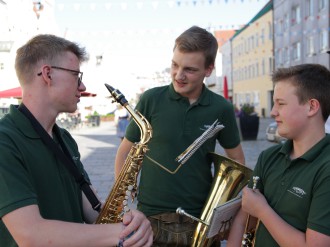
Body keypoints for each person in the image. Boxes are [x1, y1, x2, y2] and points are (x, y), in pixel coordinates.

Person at [0, 34, 153, 247]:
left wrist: (128, 222)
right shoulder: (5, 140)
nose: (82, 86)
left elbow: (92, 211)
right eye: (76, 75)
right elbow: (30, 235)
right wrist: (117, 234)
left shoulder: (65, 138)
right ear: (48, 74)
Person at [115, 26, 245, 246]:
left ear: (209, 69)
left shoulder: (221, 108)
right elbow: (125, 151)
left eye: (190, 69)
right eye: (174, 65)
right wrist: (123, 207)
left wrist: (224, 212)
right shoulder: (150, 99)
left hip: (200, 221)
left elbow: (238, 161)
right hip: (150, 220)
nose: (178, 75)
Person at [227, 64, 330, 247]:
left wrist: (262, 210)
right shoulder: (269, 156)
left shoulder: (326, 167)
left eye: (281, 103)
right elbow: (242, 221)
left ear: (312, 107)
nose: (273, 111)